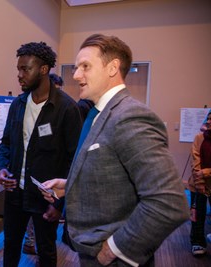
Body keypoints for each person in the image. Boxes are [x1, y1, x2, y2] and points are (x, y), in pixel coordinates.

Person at [41, 34, 189, 267]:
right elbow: (113, 178)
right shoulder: (99, 114)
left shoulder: (129, 116)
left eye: (85, 66)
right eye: (77, 67)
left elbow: (168, 202)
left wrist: (114, 249)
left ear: (112, 68)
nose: (76, 74)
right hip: (91, 250)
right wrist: (69, 185)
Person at [0, 41, 84, 266]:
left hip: (45, 198)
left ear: (43, 70)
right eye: (18, 69)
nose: (20, 74)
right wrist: (1, 168)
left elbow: (74, 160)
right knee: (11, 245)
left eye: (26, 69)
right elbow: (5, 144)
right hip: (15, 192)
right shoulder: (18, 105)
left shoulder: (67, 109)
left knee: (46, 249)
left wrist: (58, 205)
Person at [21, 72, 68, 255]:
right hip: (31, 185)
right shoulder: (22, 105)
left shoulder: (66, 109)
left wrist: (59, 202)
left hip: (51, 186)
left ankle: (35, 245)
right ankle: (30, 242)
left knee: (47, 245)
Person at [188, 110, 211, 256]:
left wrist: (206, 172)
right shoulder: (199, 137)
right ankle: (197, 242)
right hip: (198, 184)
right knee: (197, 214)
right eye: (208, 119)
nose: (208, 122)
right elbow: (195, 161)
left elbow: (204, 170)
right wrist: (199, 180)